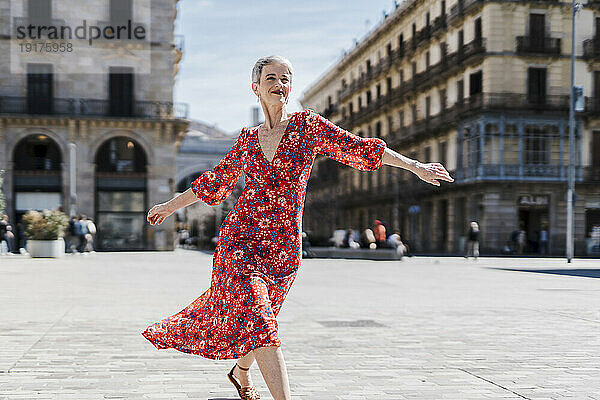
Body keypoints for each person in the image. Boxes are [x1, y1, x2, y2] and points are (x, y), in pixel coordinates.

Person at [142, 55, 454, 400]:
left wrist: (414, 166)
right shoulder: (247, 138)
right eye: (271, 77)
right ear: (256, 88)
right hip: (239, 242)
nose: (280, 83)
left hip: (283, 248)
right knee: (258, 317)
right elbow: (215, 182)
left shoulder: (308, 126)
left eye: (286, 78)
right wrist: (171, 205)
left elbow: (359, 148)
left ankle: (241, 372)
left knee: (260, 320)